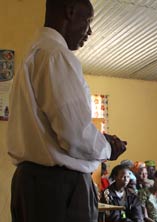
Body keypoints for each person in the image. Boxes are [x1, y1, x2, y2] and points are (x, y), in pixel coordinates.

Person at [7, 0, 126, 221]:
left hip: (29, 184)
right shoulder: (56, 55)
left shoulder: (33, 54)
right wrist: (107, 147)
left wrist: (98, 140)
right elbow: (75, 135)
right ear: (70, 12)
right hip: (58, 189)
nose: (89, 31)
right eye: (87, 21)